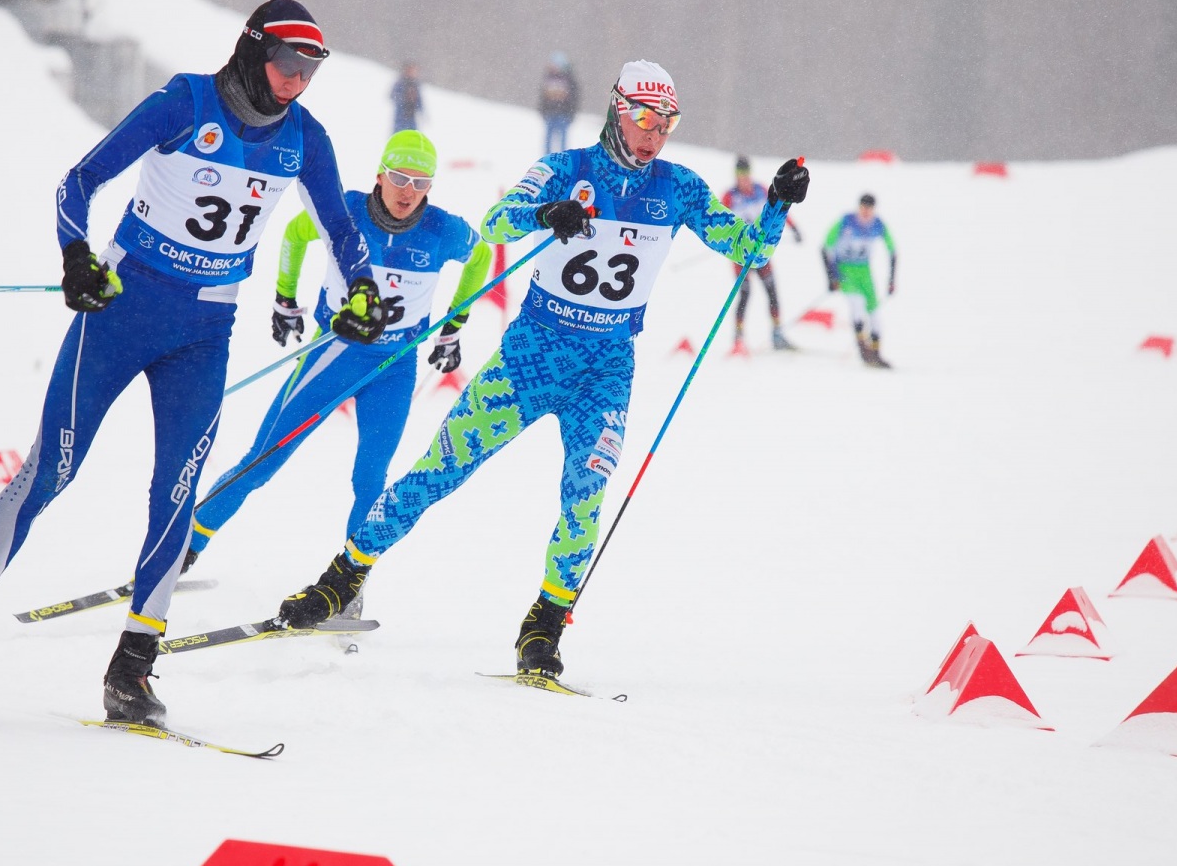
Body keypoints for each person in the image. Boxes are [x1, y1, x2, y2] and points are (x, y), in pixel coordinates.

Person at [0, 0, 391, 727]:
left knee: (177, 491)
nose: (297, 82)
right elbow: (79, 181)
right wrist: (76, 256)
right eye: (289, 63)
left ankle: (133, 665)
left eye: (310, 71)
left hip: (204, 334)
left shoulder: (306, 139)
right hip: (121, 311)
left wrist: (361, 289)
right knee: (53, 468)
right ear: (256, 50)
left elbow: (342, 228)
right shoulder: (184, 103)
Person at [268, 60, 808, 680]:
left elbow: (750, 251)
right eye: (644, 119)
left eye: (667, 122)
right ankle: (341, 579)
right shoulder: (567, 169)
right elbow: (497, 223)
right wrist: (547, 213)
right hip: (532, 354)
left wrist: (775, 206)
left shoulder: (678, 187)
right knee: (441, 470)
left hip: (606, 368)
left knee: (585, 495)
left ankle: (544, 628)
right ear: (616, 112)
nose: (655, 133)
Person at [185, 129, 491, 608]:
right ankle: (186, 546)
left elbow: (482, 256)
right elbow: (296, 234)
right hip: (334, 354)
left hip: (394, 367)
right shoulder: (345, 212)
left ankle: (349, 586)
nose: (407, 190)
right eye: (398, 177)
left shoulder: (442, 230)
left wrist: (456, 324)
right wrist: (287, 299)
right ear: (379, 176)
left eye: (419, 181)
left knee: (371, 478)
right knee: (264, 460)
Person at [722, 155, 800, 353]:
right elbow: (721, 220)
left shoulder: (761, 190)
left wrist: (794, 228)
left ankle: (777, 334)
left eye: (746, 174)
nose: (744, 178)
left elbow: (777, 209)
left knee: (772, 291)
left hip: (761, 252)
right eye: (740, 174)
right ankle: (738, 337)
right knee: (745, 293)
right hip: (740, 254)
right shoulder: (730, 196)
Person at [822, 192, 898, 368]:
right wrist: (831, 277)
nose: (866, 212)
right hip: (845, 271)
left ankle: (876, 353)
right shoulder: (846, 222)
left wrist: (892, 280)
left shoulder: (878, 225)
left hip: (865, 273)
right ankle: (863, 349)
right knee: (856, 306)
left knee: (875, 313)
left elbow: (893, 251)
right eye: (863, 208)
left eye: (869, 209)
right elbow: (825, 247)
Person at [537, 52, 578, 154]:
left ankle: (563, 158)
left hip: (564, 114)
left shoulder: (569, 79)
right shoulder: (548, 78)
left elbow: (574, 98)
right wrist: (542, 110)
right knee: (548, 138)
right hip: (550, 113)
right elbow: (543, 96)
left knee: (562, 139)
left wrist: (571, 113)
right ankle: (547, 158)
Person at [390, 62, 424, 133]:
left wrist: (422, 111)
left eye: (414, 71)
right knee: (398, 133)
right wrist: (404, 98)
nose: (412, 72)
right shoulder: (400, 83)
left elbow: (419, 100)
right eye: (410, 70)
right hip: (401, 115)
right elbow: (393, 96)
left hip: (411, 116)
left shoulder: (415, 84)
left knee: (413, 134)